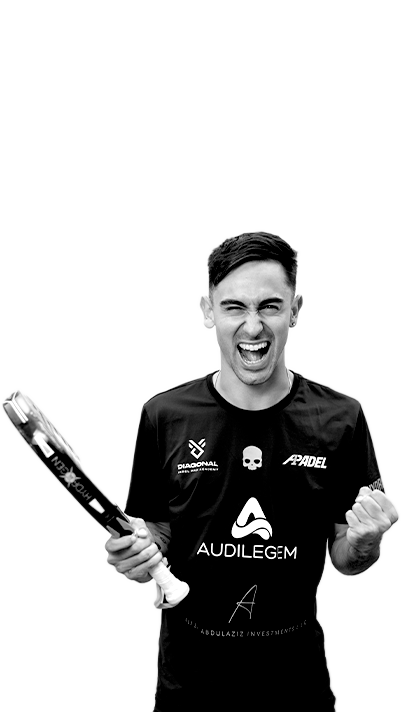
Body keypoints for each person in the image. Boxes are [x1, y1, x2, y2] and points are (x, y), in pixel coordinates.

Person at [105, 232, 398, 711]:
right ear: (208, 311)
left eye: (270, 306)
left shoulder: (340, 418)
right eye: (234, 307)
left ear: (294, 311)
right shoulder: (165, 416)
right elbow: (157, 533)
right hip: (190, 684)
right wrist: (140, 555)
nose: (253, 326)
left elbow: (347, 557)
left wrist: (365, 541)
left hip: (295, 683)